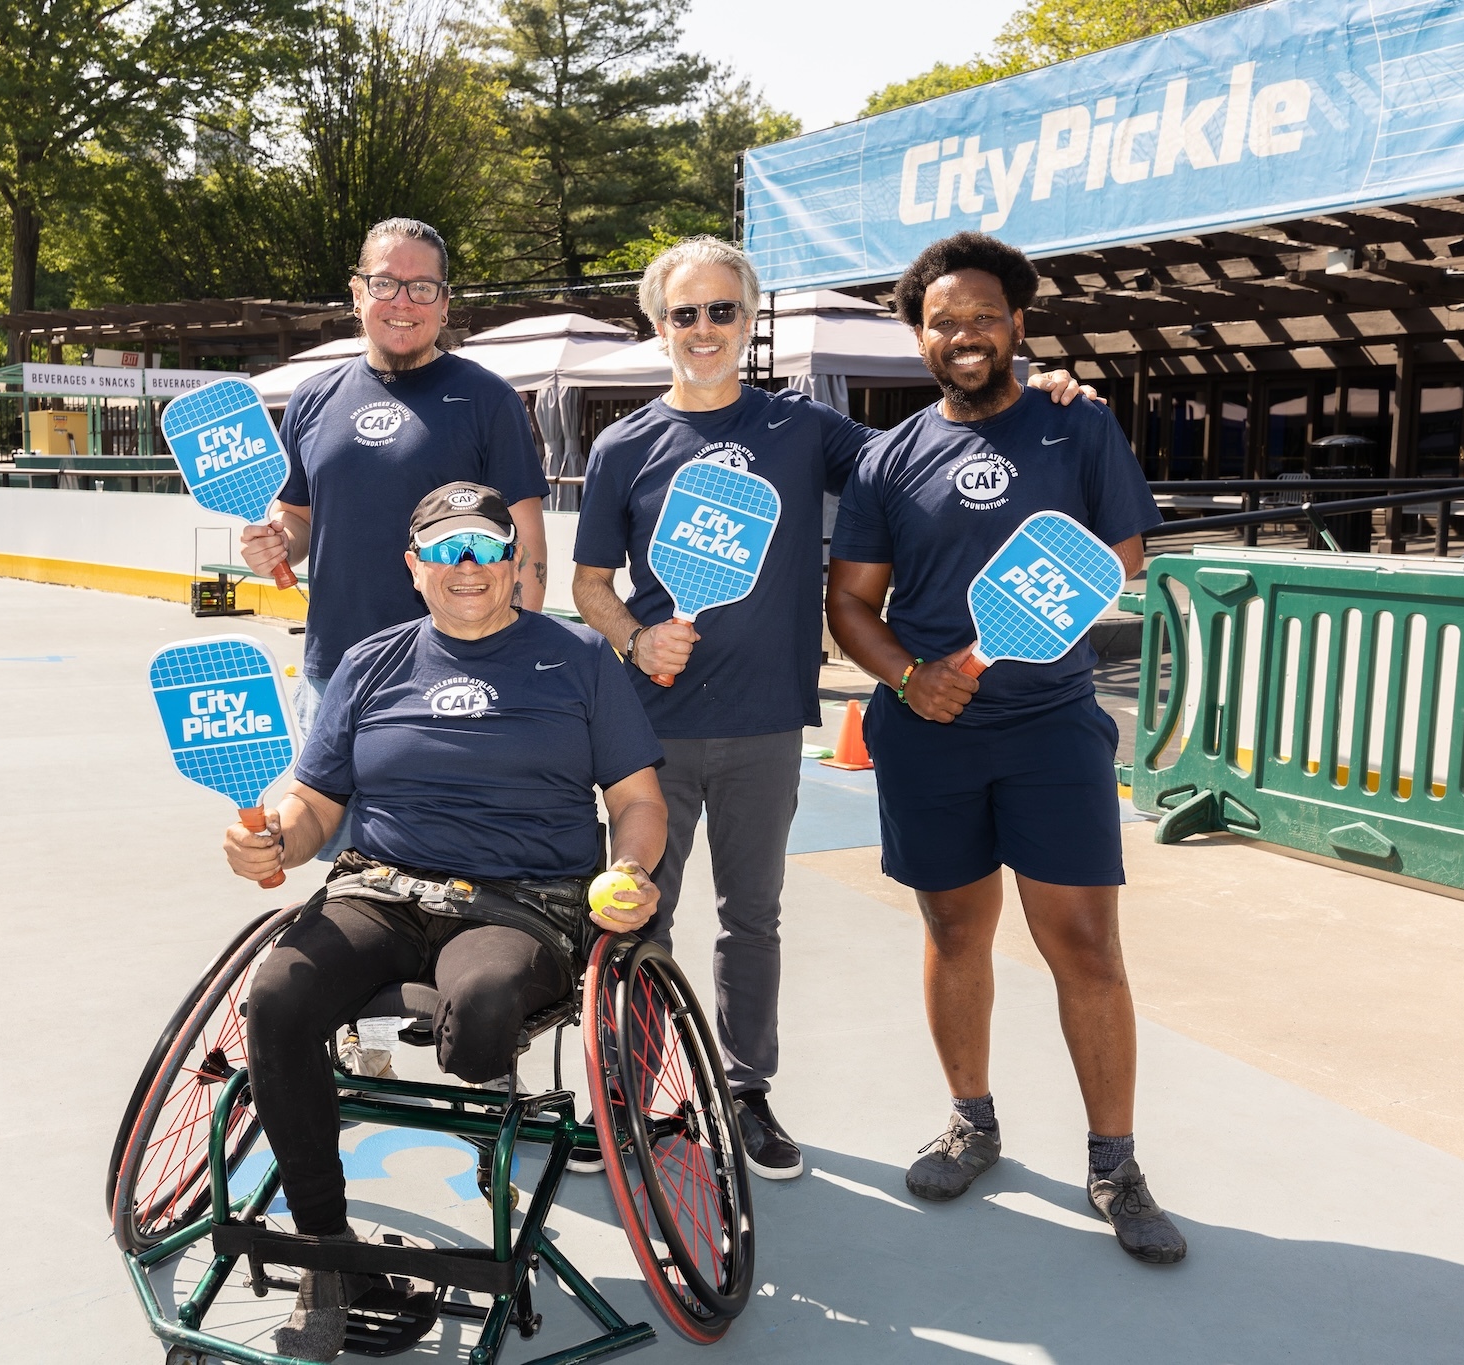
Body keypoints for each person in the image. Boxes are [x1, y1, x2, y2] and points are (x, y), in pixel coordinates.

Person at [571, 235, 1098, 1181]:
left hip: (768, 724)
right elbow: (590, 583)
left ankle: (743, 1089)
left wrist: (1041, 389)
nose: (704, 329)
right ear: (659, 327)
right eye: (684, 313)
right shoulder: (622, 445)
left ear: (749, 319)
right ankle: (634, 1095)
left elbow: (938, 450)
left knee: (753, 921)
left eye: (722, 310)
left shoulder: (805, 432)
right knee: (636, 914)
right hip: (646, 731)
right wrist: (633, 638)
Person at [224, 482, 669, 1361]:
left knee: (486, 1011)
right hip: (383, 888)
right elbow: (317, 803)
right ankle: (327, 1252)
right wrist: (277, 835)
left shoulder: (579, 659)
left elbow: (639, 799)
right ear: (414, 566)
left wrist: (630, 868)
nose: (467, 568)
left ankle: (483, 1095)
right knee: (276, 993)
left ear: (515, 561)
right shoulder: (370, 662)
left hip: (522, 898)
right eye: (446, 550)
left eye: (485, 548)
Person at [825, 230, 1182, 1264]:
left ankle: (1114, 1164)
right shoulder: (888, 457)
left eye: (983, 317)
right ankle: (970, 1121)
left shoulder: (1076, 428)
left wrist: (1025, 622)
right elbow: (849, 601)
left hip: (1050, 730)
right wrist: (905, 675)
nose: (964, 335)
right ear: (918, 336)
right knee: (952, 933)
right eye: (943, 322)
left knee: (1083, 946)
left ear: (1017, 324)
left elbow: (1114, 555)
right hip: (928, 737)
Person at [238, 218, 552, 740]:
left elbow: (527, 544)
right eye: (384, 283)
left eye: (422, 288)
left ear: (445, 303)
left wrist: (509, 660)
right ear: (358, 294)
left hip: (454, 671)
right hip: (332, 674)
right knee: (324, 824)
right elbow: (297, 517)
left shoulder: (488, 400)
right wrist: (276, 543)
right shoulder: (312, 399)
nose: (402, 302)